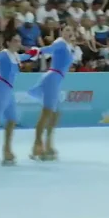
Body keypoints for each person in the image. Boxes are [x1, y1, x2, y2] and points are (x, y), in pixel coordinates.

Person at [0, 35, 39, 167]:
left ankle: (7, 150)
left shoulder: (15, 55)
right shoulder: (4, 54)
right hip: (0, 88)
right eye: (15, 40)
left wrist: (33, 53)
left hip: (9, 91)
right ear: (8, 42)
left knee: (12, 120)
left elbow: (24, 57)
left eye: (19, 40)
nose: (18, 43)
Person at [27, 26, 76, 161]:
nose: (69, 32)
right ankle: (37, 146)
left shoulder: (68, 46)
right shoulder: (59, 42)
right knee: (47, 112)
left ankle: (48, 143)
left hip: (56, 80)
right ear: (61, 32)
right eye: (66, 29)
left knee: (55, 113)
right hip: (52, 78)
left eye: (70, 30)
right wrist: (37, 50)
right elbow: (49, 49)